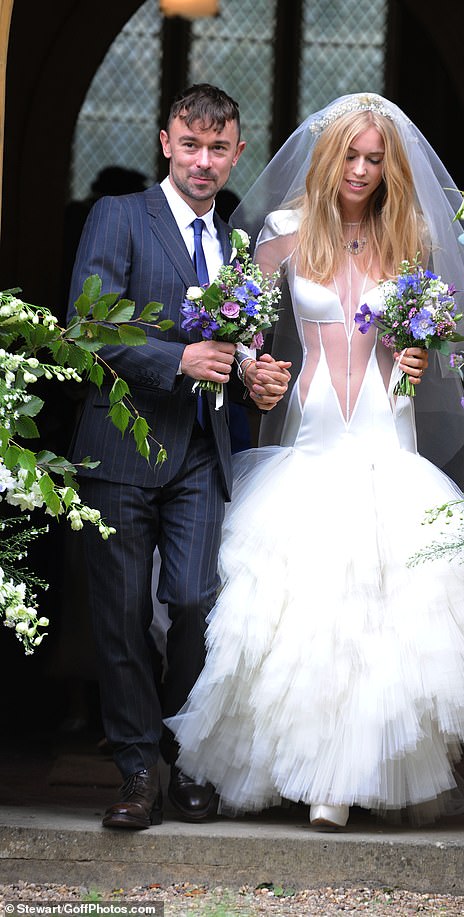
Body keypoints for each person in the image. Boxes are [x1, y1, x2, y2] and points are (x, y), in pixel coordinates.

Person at [167, 93, 464, 830]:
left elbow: (441, 336)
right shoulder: (282, 235)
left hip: (388, 435)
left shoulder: (411, 236)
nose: (360, 170)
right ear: (327, 158)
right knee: (306, 602)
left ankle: (349, 780)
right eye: (349, 156)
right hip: (311, 435)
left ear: (389, 167)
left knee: (383, 604)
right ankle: (307, 771)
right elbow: (243, 330)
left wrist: (422, 353)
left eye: (374, 159)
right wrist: (253, 368)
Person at [66, 83, 290, 830]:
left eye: (217, 148)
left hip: (202, 449)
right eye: (190, 145)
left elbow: (239, 346)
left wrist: (255, 376)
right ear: (166, 143)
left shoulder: (237, 243)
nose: (202, 161)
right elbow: (88, 327)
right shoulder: (119, 215)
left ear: (237, 153)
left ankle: (185, 754)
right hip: (121, 445)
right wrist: (177, 359)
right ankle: (139, 772)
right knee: (123, 616)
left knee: (197, 602)